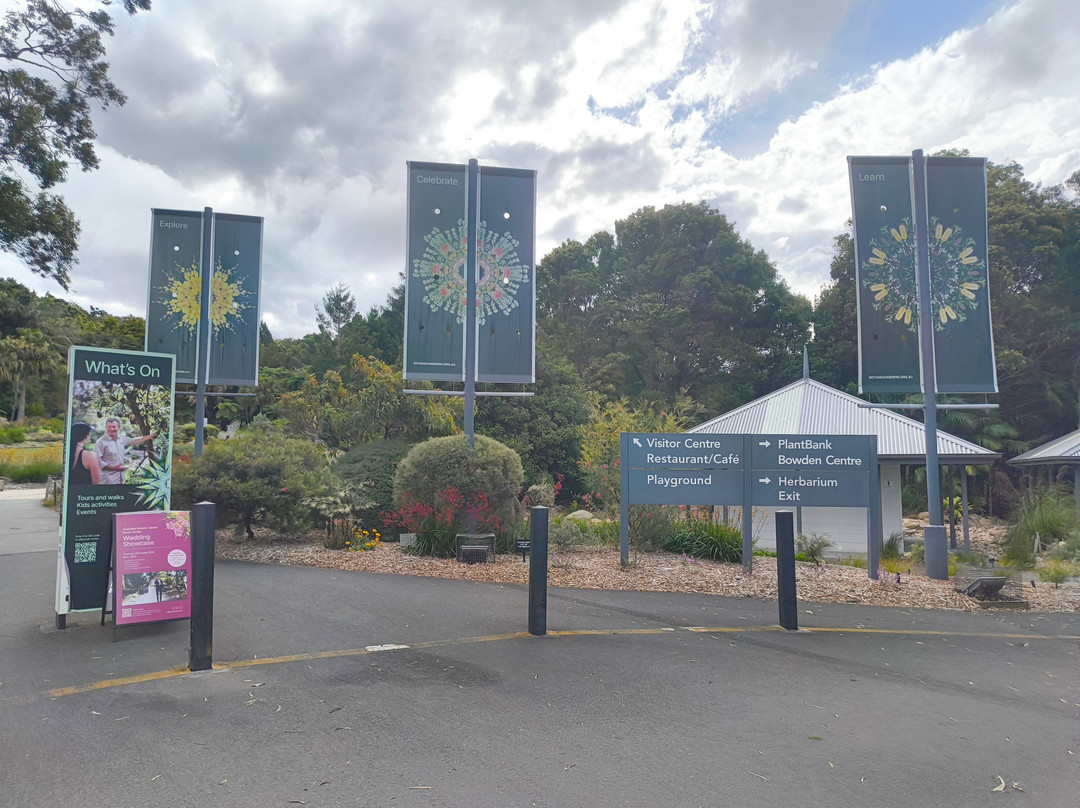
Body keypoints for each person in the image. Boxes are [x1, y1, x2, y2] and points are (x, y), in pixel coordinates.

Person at [94, 417, 157, 485]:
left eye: (114, 427)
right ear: (106, 428)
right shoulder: (101, 442)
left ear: (119, 428)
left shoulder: (121, 439)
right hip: (108, 480)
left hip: (120, 478)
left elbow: (134, 441)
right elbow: (97, 461)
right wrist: (114, 468)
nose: (111, 429)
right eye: (109, 427)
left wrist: (150, 436)